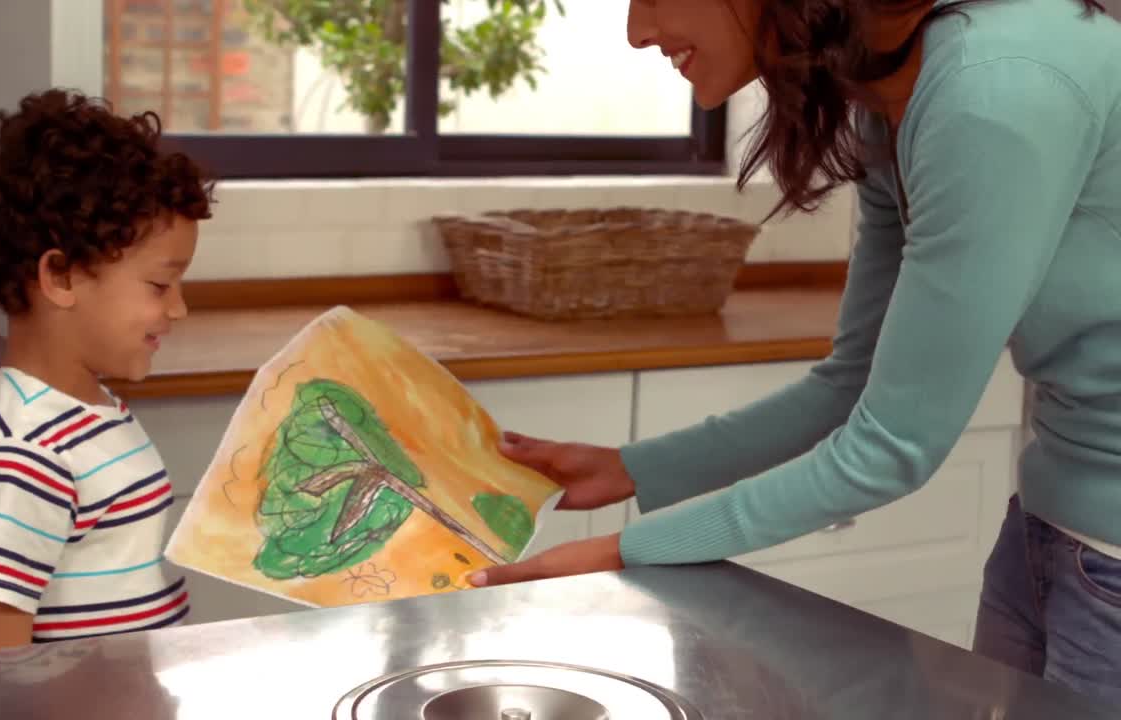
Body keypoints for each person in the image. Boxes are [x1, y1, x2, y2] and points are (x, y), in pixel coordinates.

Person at [467, 0, 1121, 706]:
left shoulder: (992, 91)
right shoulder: (892, 97)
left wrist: (621, 553)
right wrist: (632, 469)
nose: (636, 32)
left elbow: (890, 450)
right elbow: (850, 383)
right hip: (1051, 530)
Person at [0, 88, 214, 654]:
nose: (178, 308)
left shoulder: (89, 412)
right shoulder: (20, 458)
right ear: (60, 277)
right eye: (160, 285)